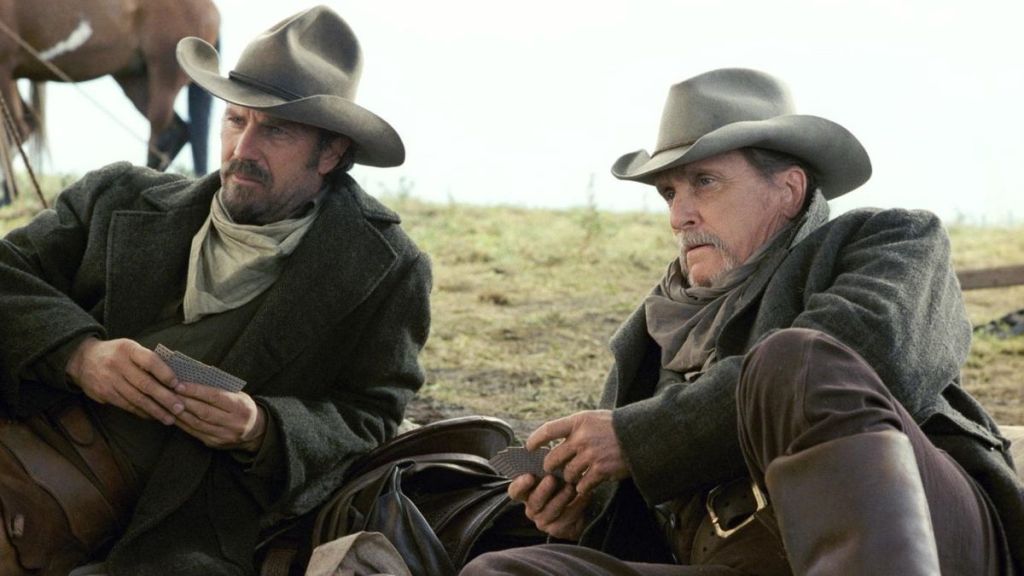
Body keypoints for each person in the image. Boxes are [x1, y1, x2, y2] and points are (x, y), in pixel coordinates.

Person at [461, 68, 1023, 575]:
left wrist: (638, 439)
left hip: (935, 541)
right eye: (669, 192)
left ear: (788, 190)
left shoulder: (889, 240)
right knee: (503, 571)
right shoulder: (651, 338)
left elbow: (868, 348)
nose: (679, 216)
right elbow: (647, 530)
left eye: (704, 182)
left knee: (795, 358)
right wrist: (584, 517)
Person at [0, 6, 430, 575]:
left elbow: (370, 417)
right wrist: (79, 355)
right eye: (235, 119)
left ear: (330, 152)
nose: (242, 148)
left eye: (274, 130)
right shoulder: (117, 196)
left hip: (167, 518)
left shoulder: (388, 270)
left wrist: (262, 429)